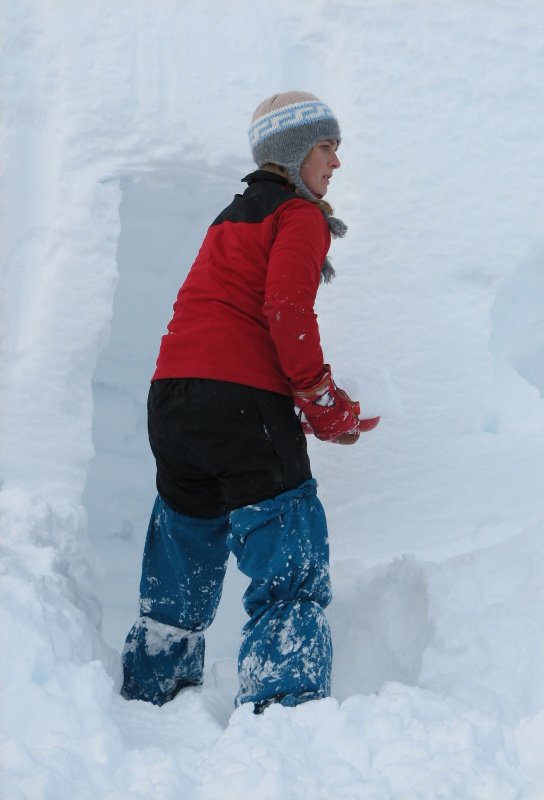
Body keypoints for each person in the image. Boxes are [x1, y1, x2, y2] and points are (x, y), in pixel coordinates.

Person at [120, 90, 363, 713]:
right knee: (288, 558)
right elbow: (284, 308)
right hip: (241, 402)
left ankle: (154, 695)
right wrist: (322, 400)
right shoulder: (298, 216)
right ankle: (285, 714)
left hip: (172, 399)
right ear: (294, 151)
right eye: (327, 146)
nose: (336, 162)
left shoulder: (231, 216)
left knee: (184, 539)